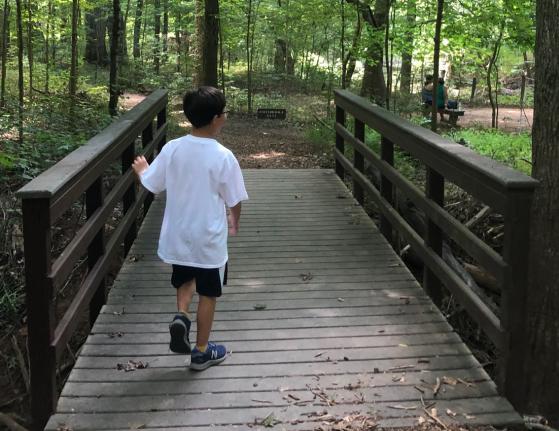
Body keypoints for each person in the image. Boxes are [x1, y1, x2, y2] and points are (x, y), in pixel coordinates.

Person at [131, 86, 249, 370]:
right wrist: (235, 220)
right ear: (216, 119)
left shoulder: (173, 148)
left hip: (179, 236)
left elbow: (153, 184)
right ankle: (201, 351)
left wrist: (142, 170)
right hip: (208, 240)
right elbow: (234, 199)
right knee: (209, 292)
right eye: (224, 112)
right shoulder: (223, 156)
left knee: (184, 279)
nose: (225, 116)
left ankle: (181, 315)